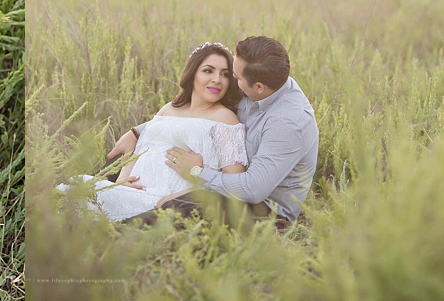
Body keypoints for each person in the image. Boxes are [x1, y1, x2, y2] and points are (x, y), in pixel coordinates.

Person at [110, 35, 319, 227]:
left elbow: (252, 190)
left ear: (259, 87)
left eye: (235, 77)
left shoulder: (289, 123)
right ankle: (99, 198)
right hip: (235, 185)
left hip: (265, 210)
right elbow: (195, 117)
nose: (227, 82)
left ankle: (123, 229)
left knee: (195, 202)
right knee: (118, 162)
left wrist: (197, 173)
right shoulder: (257, 84)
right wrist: (137, 132)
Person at [58, 42, 248, 221]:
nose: (217, 80)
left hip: (169, 200)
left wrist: (187, 196)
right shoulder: (169, 108)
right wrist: (123, 179)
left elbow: (234, 183)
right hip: (135, 192)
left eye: (224, 74)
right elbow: (143, 147)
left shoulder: (225, 118)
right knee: (74, 186)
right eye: (208, 71)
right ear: (192, 73)